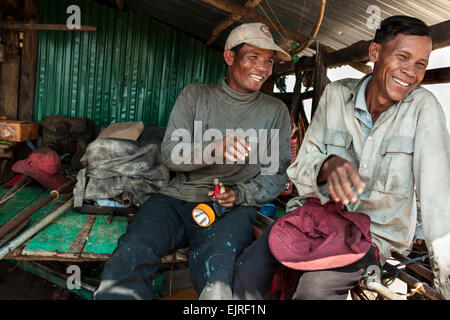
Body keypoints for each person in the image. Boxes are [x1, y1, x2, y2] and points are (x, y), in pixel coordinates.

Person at [233, 15, 450, 300]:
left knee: (315, 287)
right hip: (317, 219)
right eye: (403, 57)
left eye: (420, 64)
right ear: (375, 53)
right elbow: (300, 168)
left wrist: (445, 278)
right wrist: (326, 166)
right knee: (250, 268)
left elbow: (438, 198)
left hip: (375, 237)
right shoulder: (336, 95)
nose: (410, 71)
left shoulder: (423, 109)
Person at [94, 22, 292, 300]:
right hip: (177, 199)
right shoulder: (196, 95)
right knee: (129, 256)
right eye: (253, 57)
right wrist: (212, 149)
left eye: (269, 61)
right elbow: (170, 154)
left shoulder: (275, 112)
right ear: (229, 57)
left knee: (219, 281)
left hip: (230, 209)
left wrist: (239, 194)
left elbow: (276, 175)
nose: (262, 67)